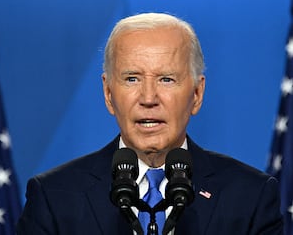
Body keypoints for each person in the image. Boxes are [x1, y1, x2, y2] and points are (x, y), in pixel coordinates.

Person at [16, 13, 283, 235]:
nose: (148, 98)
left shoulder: (250, 198)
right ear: (109, 94)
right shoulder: (54, 197)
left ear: (197, 94)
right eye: (132, 79)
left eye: (166, 79)